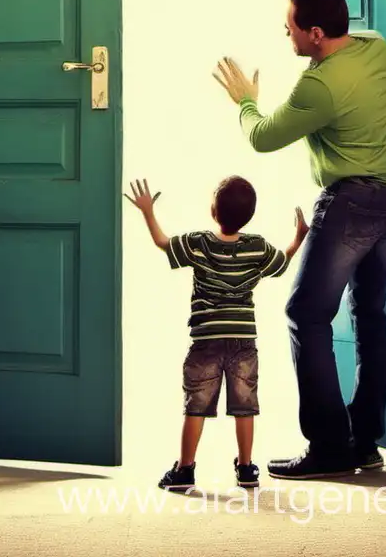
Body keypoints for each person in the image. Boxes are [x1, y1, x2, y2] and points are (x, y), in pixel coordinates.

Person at [213, 0, 386, 479]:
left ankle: (328, 447)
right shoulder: (377, 48)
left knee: (306, 313)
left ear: (316, 33)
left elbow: (262, 137)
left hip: (352, 203)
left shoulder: (318, 86)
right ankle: (364, 442)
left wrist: (245, 100)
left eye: (291, 27)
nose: (287, 33)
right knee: (371, 319)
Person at [124, 175, 308, 492]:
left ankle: (184, 470)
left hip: (206, 341)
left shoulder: (199, 244)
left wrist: (147, 212)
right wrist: (298, 237)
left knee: (195, 406)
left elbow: (163, 243)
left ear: (213, 211)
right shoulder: (257, 247)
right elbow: (281, 264)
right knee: (245, 406)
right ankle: (247, 468)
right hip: (243, 342)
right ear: (249, 215)